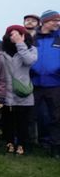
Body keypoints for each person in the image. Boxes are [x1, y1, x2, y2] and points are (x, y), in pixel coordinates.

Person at [0, 24, 37, 155]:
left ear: (23, 35)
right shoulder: (2, 52)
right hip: (7, 91)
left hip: (23, 91)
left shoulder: (31, 50)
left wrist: (20, 44)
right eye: (11, 34)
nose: (14, 36)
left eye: (17, 34)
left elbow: (29, 61)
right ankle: (9, 142)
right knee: (8, 119)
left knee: (23, 120)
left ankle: (21, 143)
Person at [31, 9, 60, 157]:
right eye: (54, 20)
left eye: (58, 20)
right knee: (30, 115)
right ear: (44, 22)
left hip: (55, 84)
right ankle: (27, 144)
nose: (57, 23)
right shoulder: (33, 37)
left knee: (56, 117)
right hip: (34, 84)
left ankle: (55, 147)